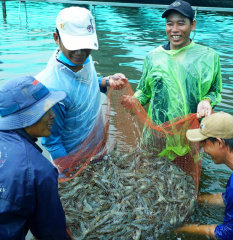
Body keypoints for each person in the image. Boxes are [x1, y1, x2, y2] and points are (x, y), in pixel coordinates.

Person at [36, 6, 128, 160]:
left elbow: (84, 85)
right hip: (73, 159)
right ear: (56, 38)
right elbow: (52, 142)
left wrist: (106, 81)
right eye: (73, 44)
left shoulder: (84, 58)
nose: (80, 52)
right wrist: (69, 173)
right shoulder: (52, 88)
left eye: (85, 44)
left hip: (97, 146)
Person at [121, 0, 222, 123]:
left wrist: (206, 101)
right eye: (170, 24)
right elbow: (145, 91)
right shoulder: (153, 57)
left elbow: (214, 91)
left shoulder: (209, 57)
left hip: (193, 131)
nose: (174, 29)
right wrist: (134, 100)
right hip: (158, 131)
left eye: (181, 23)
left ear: (193, 25)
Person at [0, 76, 70, 240]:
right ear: (27, 115)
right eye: (45, 109)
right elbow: (52, 233)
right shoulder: (40, 170)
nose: (53, 115)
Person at [177, 111, 233, 239]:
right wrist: (195, 199)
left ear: (219, 143)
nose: (203, 150)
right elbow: (227, 198)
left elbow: (229, 233)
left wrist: (185, 228)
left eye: (203, 143)